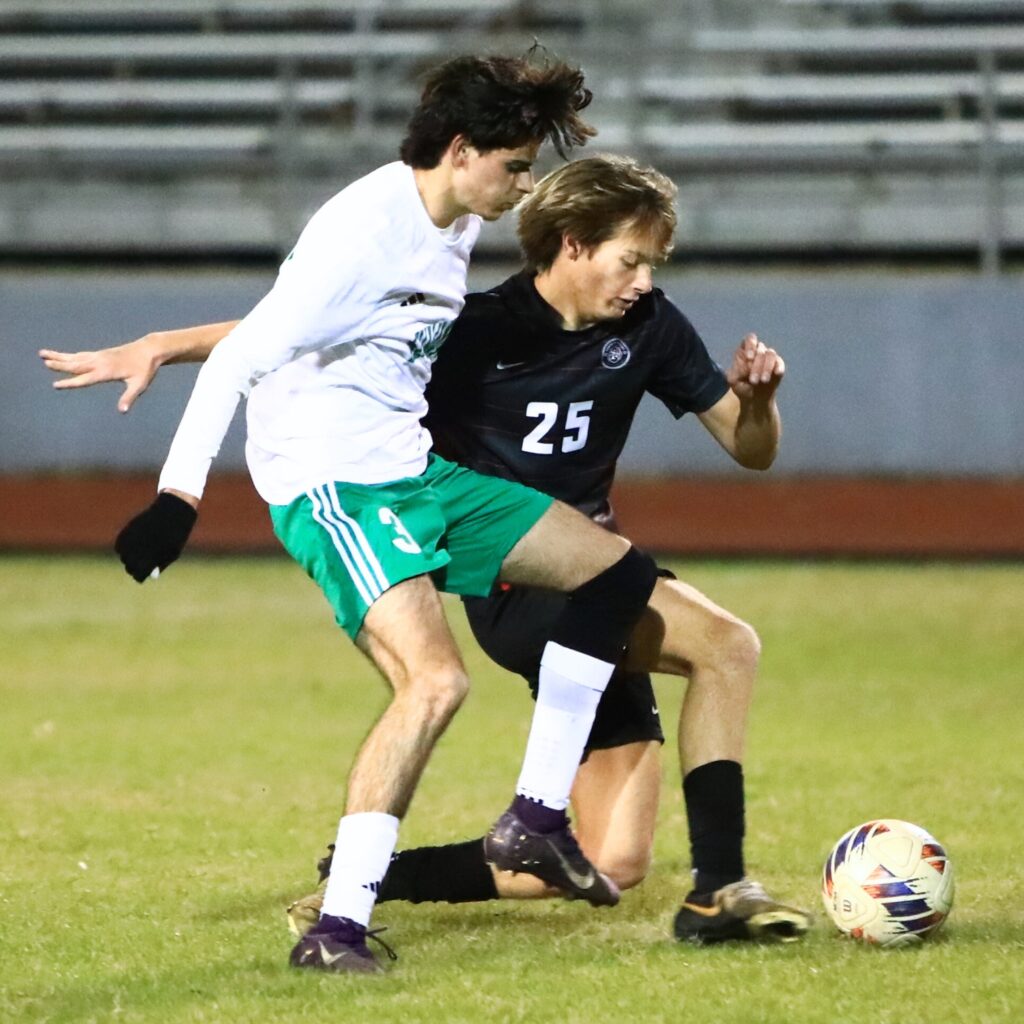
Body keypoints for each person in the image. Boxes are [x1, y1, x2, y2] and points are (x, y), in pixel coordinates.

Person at [42, 154, 811, 946]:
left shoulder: (650, 326)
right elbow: (302, 332)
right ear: (574, 246)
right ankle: (719, 891)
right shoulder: (474, 328)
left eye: (651, 264)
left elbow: (751, 450)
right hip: (520, 586)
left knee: (615, 861)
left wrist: (759, 404)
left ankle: (376, 875)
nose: (643, 281)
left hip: (594, 576)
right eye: (630, 260)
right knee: (726, 645)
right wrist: (167, 345)